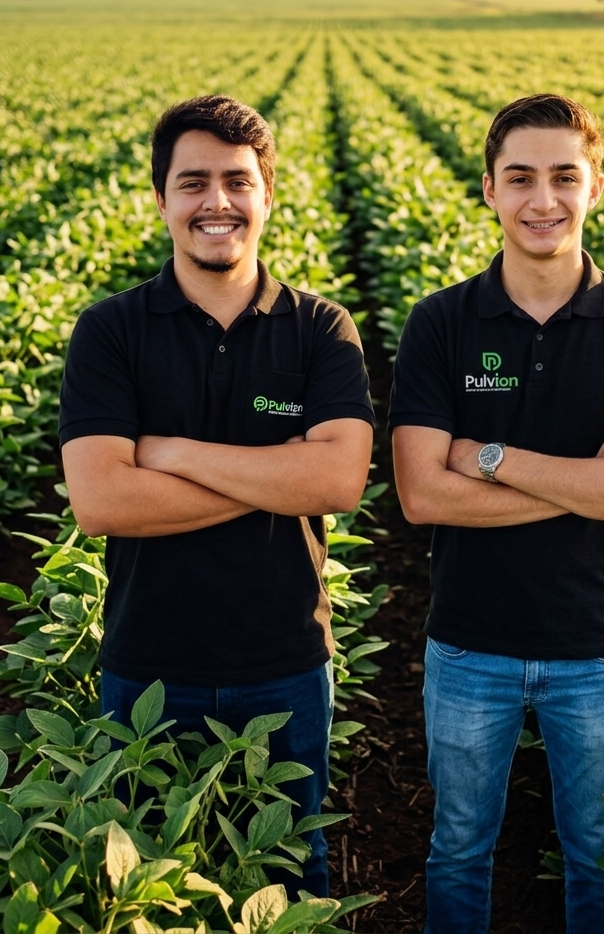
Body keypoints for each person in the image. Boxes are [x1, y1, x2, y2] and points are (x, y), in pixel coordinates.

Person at [58, 95, 375, 897]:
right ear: (161, 198)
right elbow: (101, 502)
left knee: (290, 876)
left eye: (237, 181)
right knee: (154, 884)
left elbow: (337, 482)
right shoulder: (111, 331)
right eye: (192, 182)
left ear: (268, 193)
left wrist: (171, 456)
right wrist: (278, 470)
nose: (217, 203)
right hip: (149, 665)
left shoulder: (321, 329)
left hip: (288, 660)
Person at [390, 93, 604, 934]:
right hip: (468, 641)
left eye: (565, 176)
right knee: (457, 848)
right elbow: (421, 495)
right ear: (488, 189)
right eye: (520, 178)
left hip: (596, 645)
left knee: (599, 856)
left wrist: (486, 457)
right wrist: (586, 480)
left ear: (596, 186)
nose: (542, 199)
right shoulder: (441, 323)